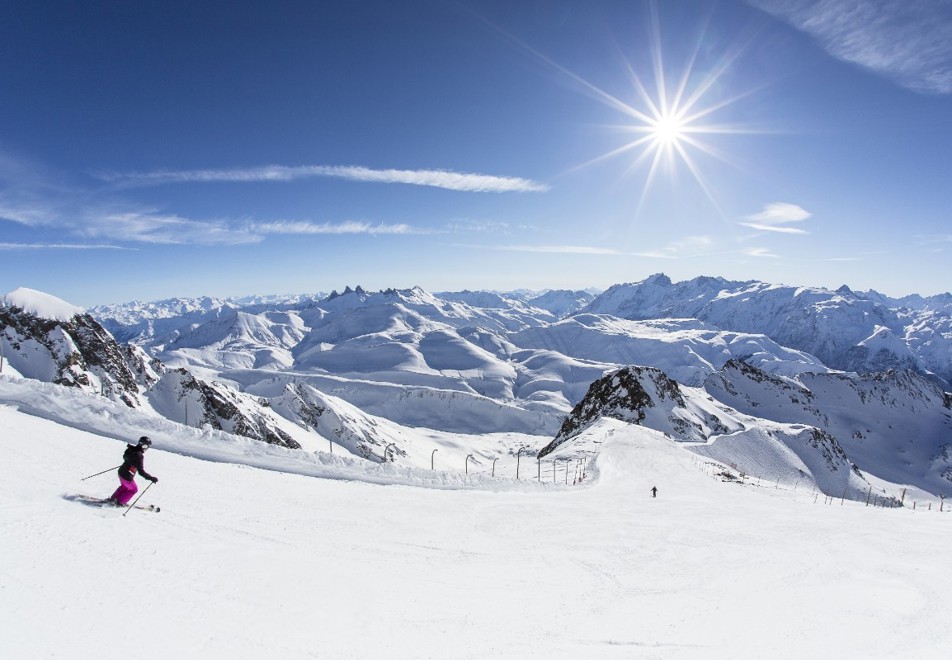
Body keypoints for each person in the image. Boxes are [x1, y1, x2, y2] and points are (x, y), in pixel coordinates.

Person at [108, 436, 158, 506]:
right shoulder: (139, 455)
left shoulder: (131, 449)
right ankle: (120, 502)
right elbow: (141, 472)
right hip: (127, 476)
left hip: (121, 472)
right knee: (133, 490)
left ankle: (113, 499)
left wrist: (130, 463)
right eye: (146, 446)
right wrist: (151, 478)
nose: (146, 448)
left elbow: (125, 457)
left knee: (124, 487)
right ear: (143, 445)